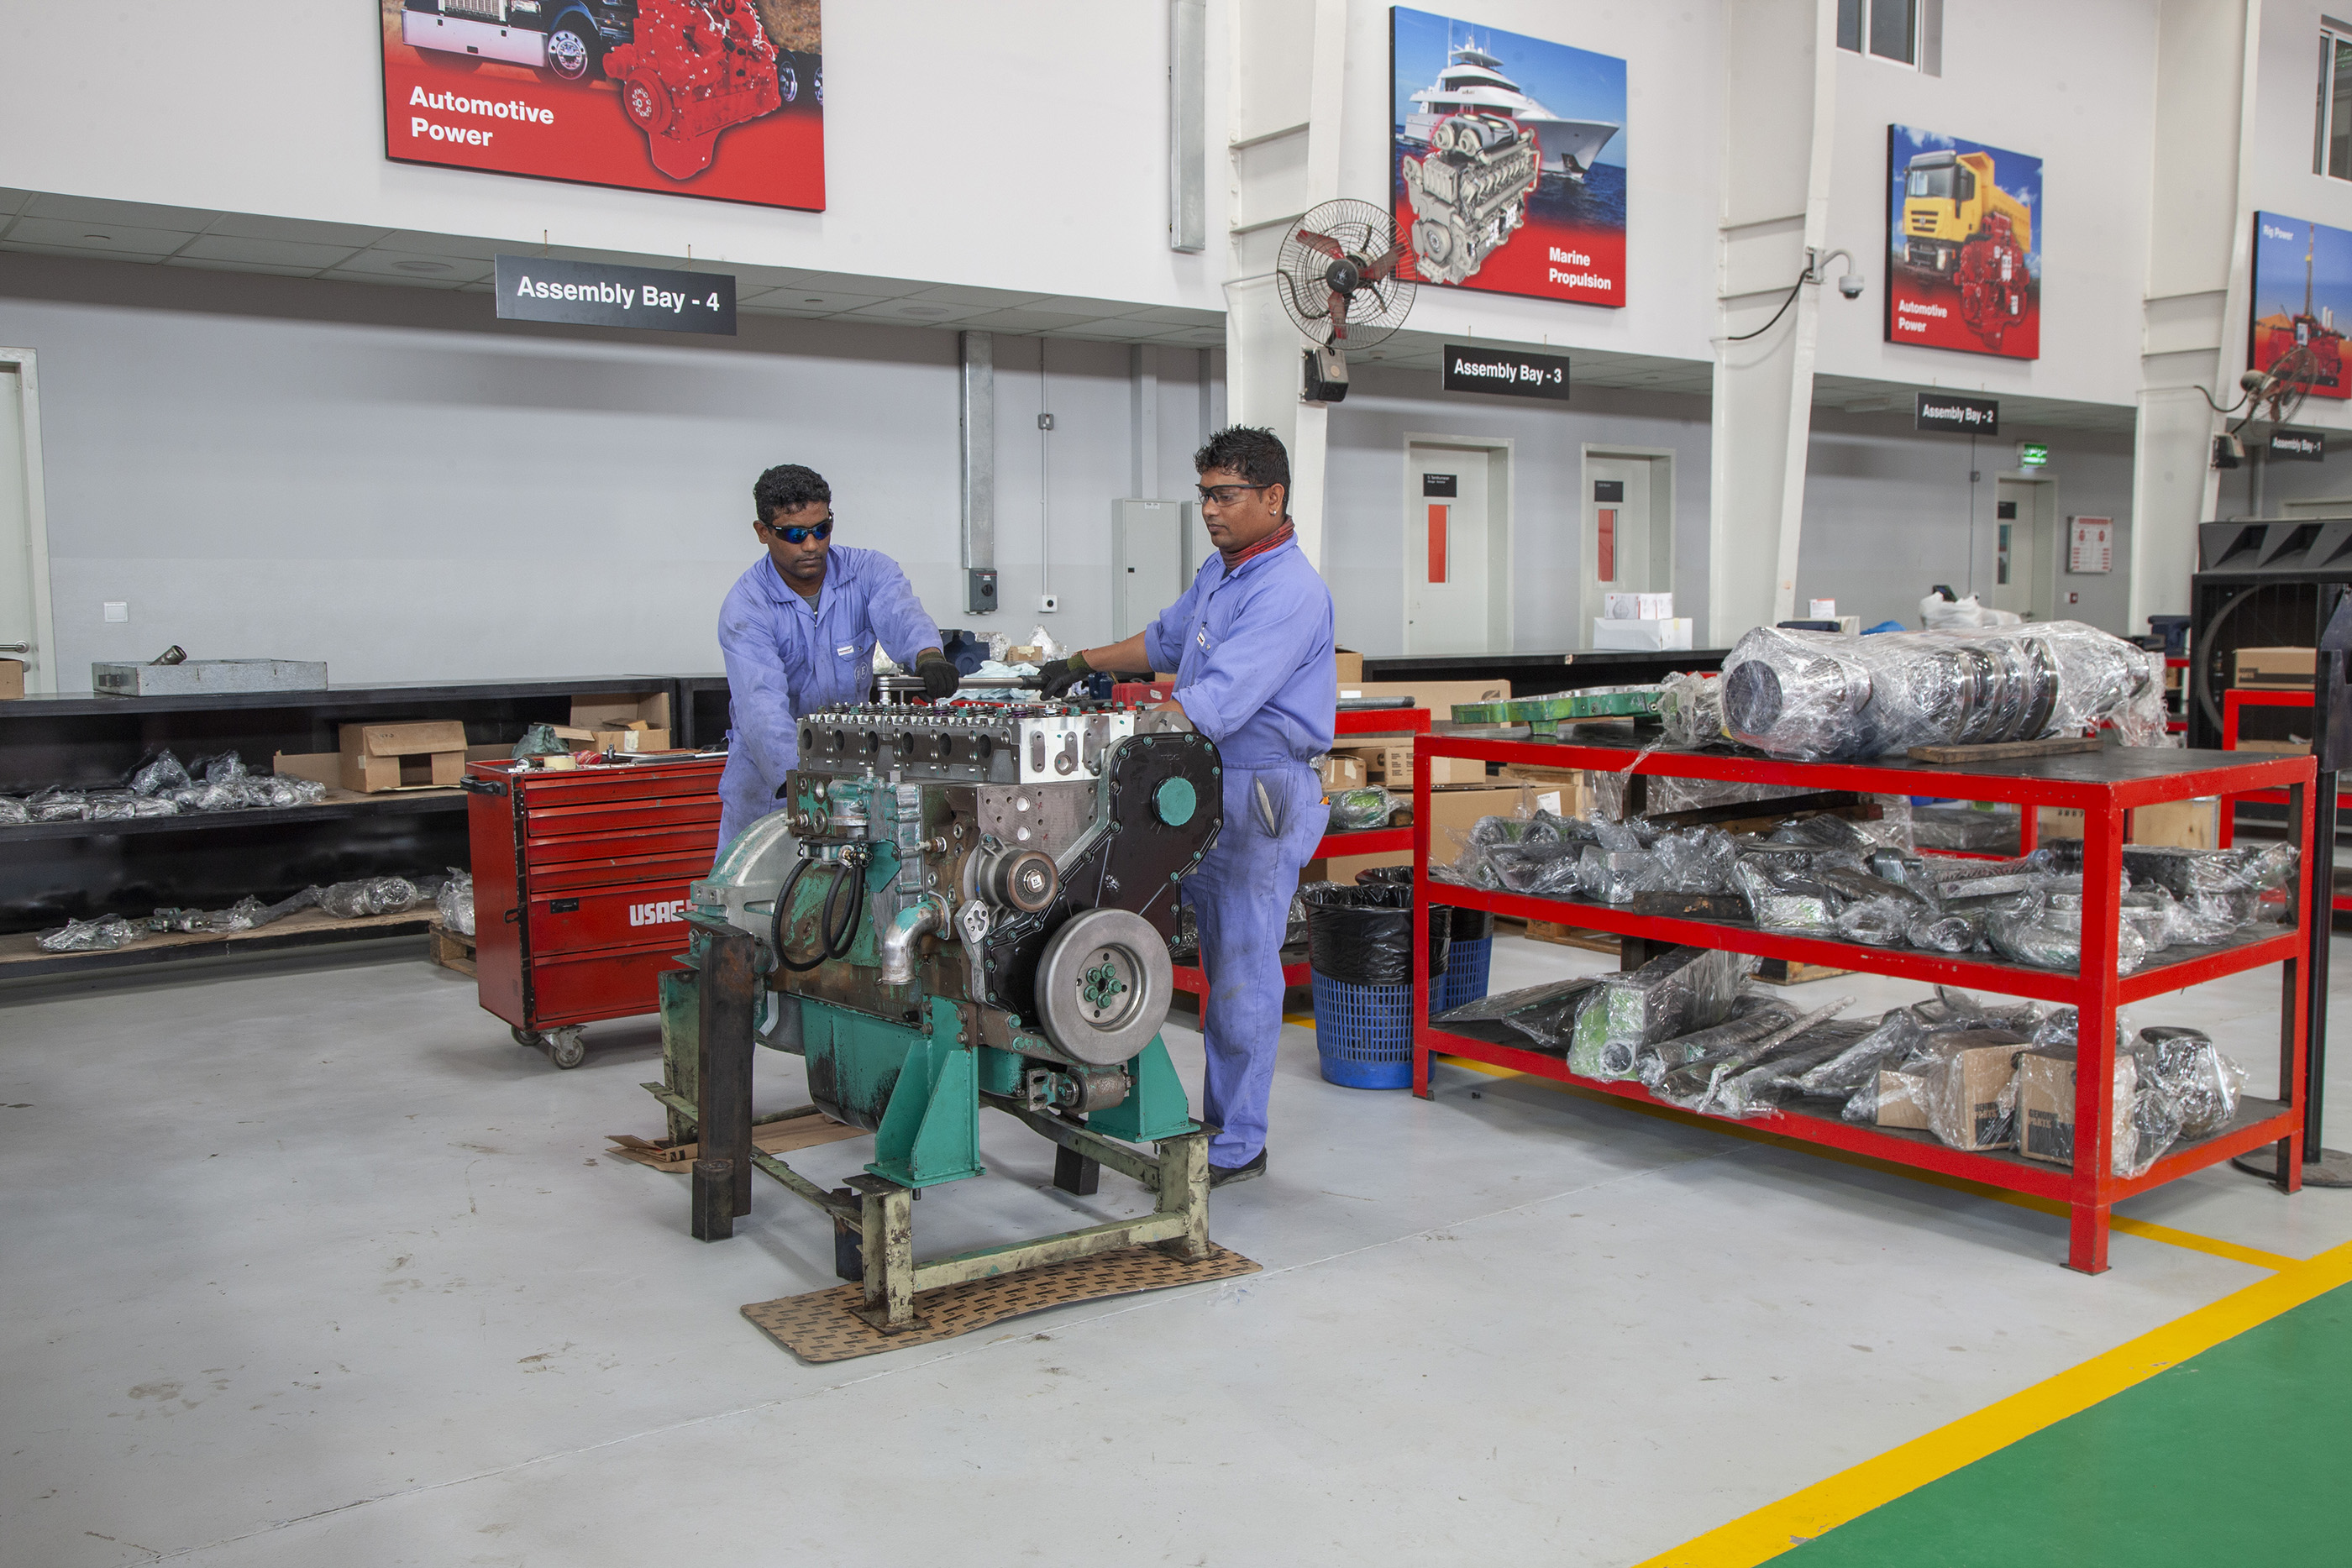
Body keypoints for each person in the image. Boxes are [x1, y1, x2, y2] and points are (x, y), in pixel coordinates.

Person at [1039, 427, 1336, 1186]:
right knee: (1134, 937)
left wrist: (1119, 731)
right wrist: (1078, 663)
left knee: (1240, 967)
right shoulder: (1221, 571)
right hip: (1195, 780)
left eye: (1225, 495)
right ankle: (1123, 1102)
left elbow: (1215, 700)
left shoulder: (1289, 591)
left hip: (1255, 790)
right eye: (1204, 494)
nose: (1209, 509)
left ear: (1273, 496)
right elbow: (1165, 642)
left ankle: (1236, 1140)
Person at [715, 464, 961, 849]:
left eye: (822, 529)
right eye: (795, 534)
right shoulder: (747, 606)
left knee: (856, 881)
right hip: (771, 785)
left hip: (853, 767)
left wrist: (928, 654)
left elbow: (902, 613)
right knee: (762, 882)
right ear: (763, 532)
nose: (812, 545)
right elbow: (760, 708)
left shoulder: (867, 571)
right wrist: (801, 782)